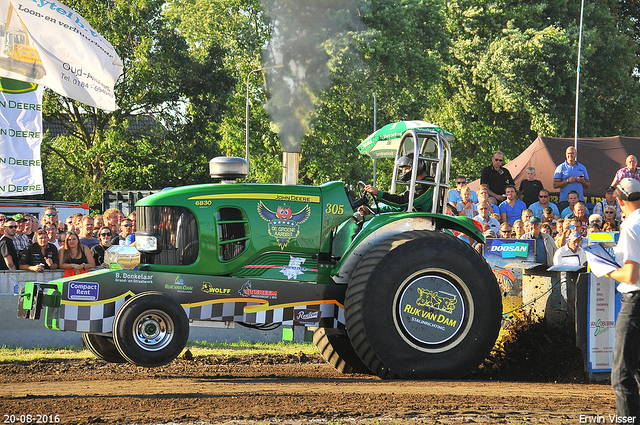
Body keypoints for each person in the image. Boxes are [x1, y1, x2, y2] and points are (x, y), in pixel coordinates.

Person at [604, 178, 640, 422]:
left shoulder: (630, 225)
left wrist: (604, 269)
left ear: (618, 200)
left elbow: (630, 274)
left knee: (622, 374)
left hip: (635, 301)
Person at [364, 153, 434, 212]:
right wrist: (372, 210)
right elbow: (399, 207)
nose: (403, 172)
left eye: (406, 169)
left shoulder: (425, 186)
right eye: (403, 169)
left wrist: (378, 193)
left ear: (417, 168)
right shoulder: (417, 185)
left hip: (422, 222)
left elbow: (401, 201)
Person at [553, 146, 590, 211]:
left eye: (572, 153)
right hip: (565, 201)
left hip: (579, 200)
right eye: (568, 153)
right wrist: (567, 181)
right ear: (565, 154)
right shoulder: (560, 168)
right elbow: (555, 185)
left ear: (576, 154)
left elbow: (588, 185)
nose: (570, 155)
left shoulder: (582, 167)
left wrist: (582, 181)